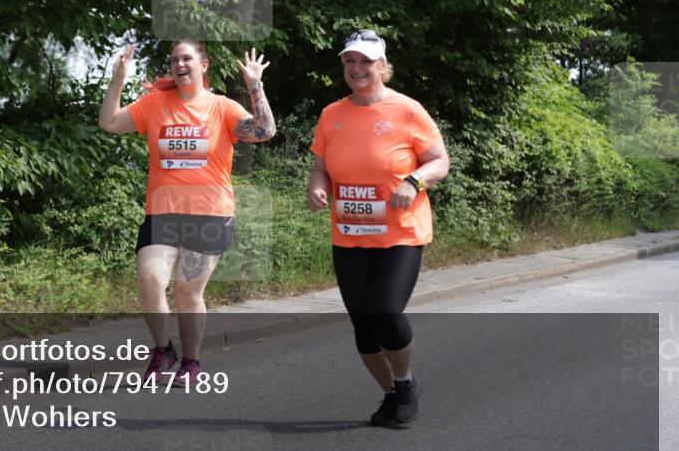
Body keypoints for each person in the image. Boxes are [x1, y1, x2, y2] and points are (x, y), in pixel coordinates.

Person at [99, 39, 275, 385]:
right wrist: (118, 80)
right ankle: (163, 350)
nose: (179, 64)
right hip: (162, 214)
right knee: (150, 280)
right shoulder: (154, 104)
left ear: (203, 65)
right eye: (174, 59)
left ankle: (191, 362)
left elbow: (264, 131)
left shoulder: (222, 107)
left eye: (186, 58)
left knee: (186, 291)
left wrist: (255, 85)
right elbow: (110, 122)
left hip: (209, 216)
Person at [307, 29, 449, 425]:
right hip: (350, 235)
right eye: (350, 61)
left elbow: (439, 161)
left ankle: (405, 382)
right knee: (363, 325)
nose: (357, 68)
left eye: (366, 62)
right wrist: (317, 189)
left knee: (384, 311)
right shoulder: (331, 115)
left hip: (400, 233)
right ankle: (392, 393)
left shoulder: (407, 110)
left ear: (382, 66)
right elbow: (320, 168)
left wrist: (413, 181)